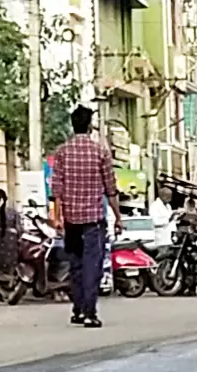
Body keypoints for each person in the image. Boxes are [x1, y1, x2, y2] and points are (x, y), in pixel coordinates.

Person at [47, 105, 116, 326]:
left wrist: (57, 218)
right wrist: (118, 217)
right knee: (92, 266)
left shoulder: (62, 152)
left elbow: (56, 190)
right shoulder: (100, 152)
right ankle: (89, 313)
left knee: (75, 265)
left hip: (71, 221)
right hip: (93, 221)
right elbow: (111, 189)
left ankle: (77, 309)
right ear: (89, 126)